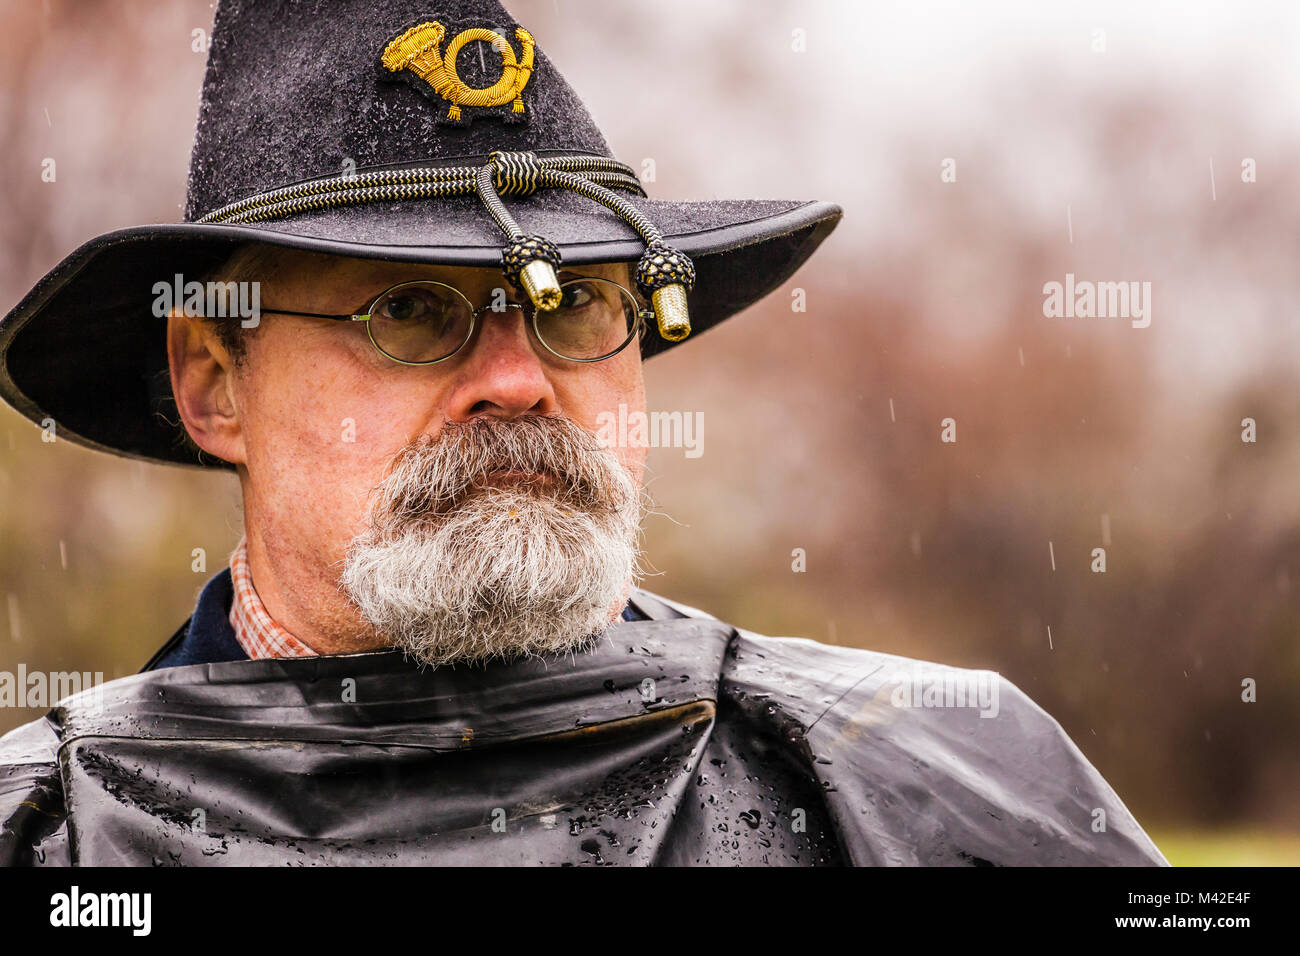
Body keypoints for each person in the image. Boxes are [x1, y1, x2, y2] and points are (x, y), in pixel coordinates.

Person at [0, 0, 1166, 866]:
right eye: (410, 308)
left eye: (573, 306)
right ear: (216, 383)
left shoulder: (926, 786)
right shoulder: (54, 835)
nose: (517, 381)